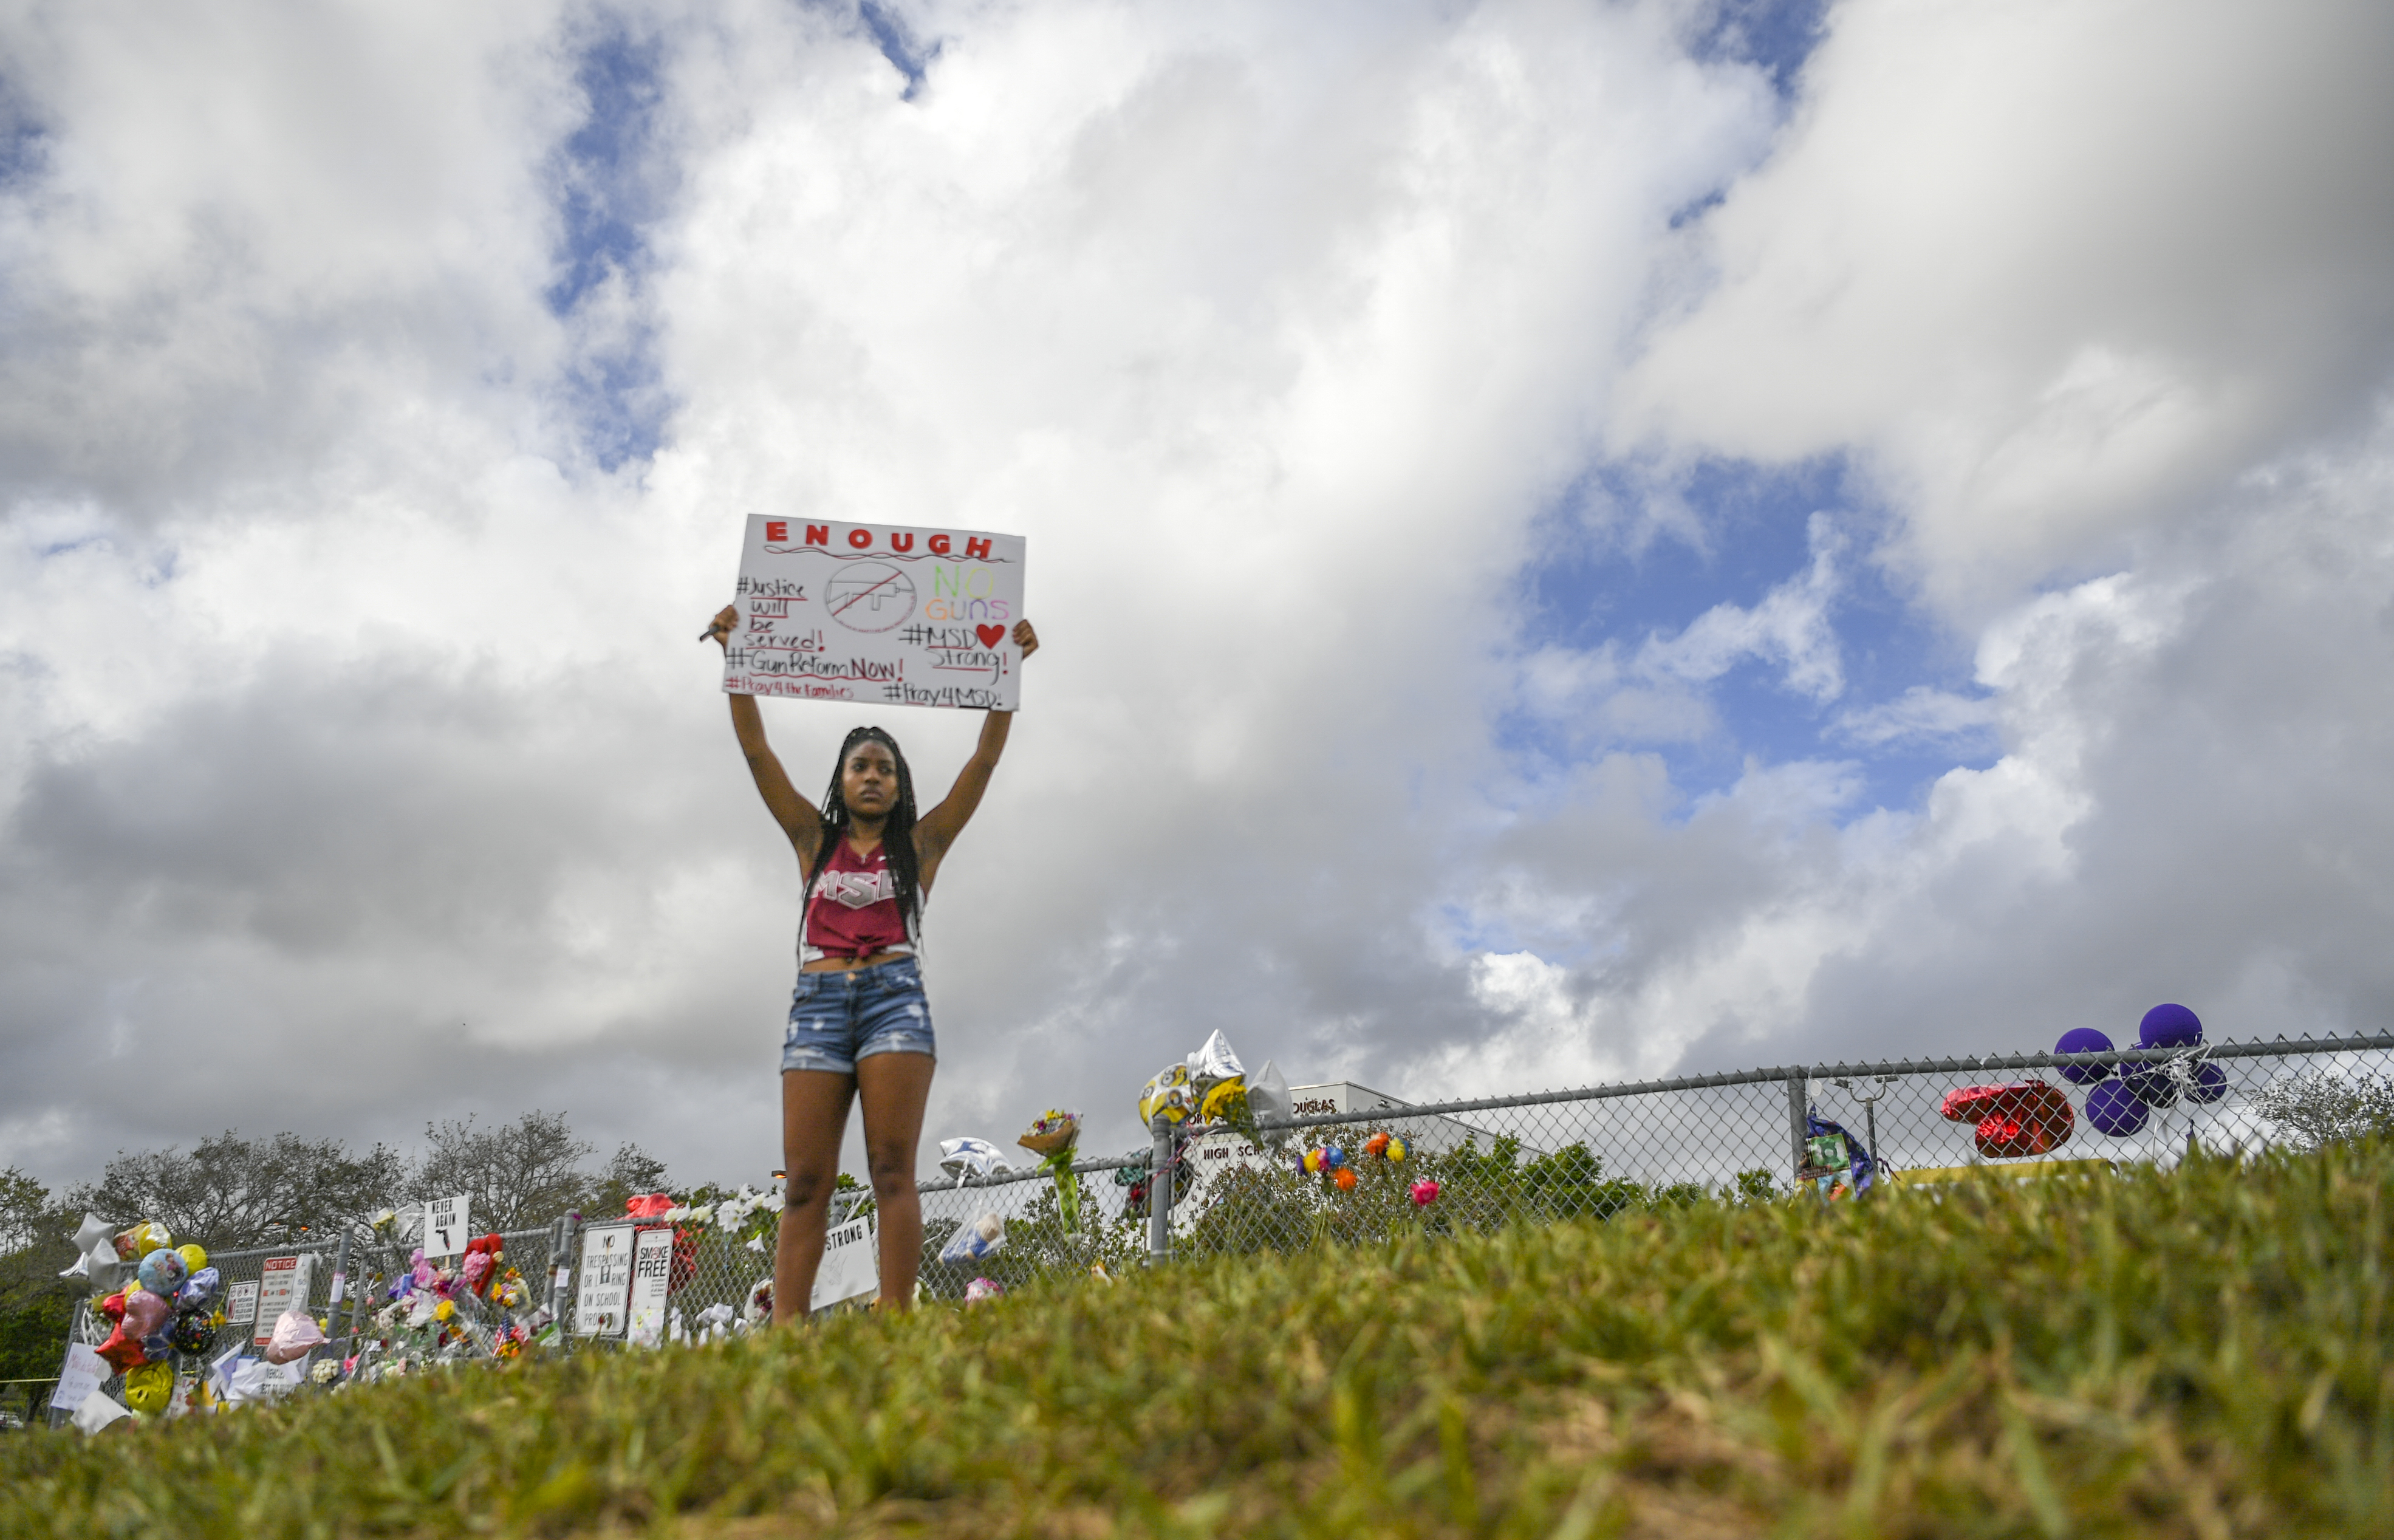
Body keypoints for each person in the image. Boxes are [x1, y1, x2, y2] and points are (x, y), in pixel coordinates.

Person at [702, 603, 1039, 1320]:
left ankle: (895, 1320)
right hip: (818, 1006)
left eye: (886, 768)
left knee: (892, 1171)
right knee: (805, 1182)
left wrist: (1007, 677)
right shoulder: (810, 839)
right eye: (860, 766)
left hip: (895, 1001)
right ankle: (786, 1333)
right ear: (842, 779)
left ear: (898, 782)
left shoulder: (922, 846)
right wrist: (736, 663)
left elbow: (981, 765)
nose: (873, 777)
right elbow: (758, 754)